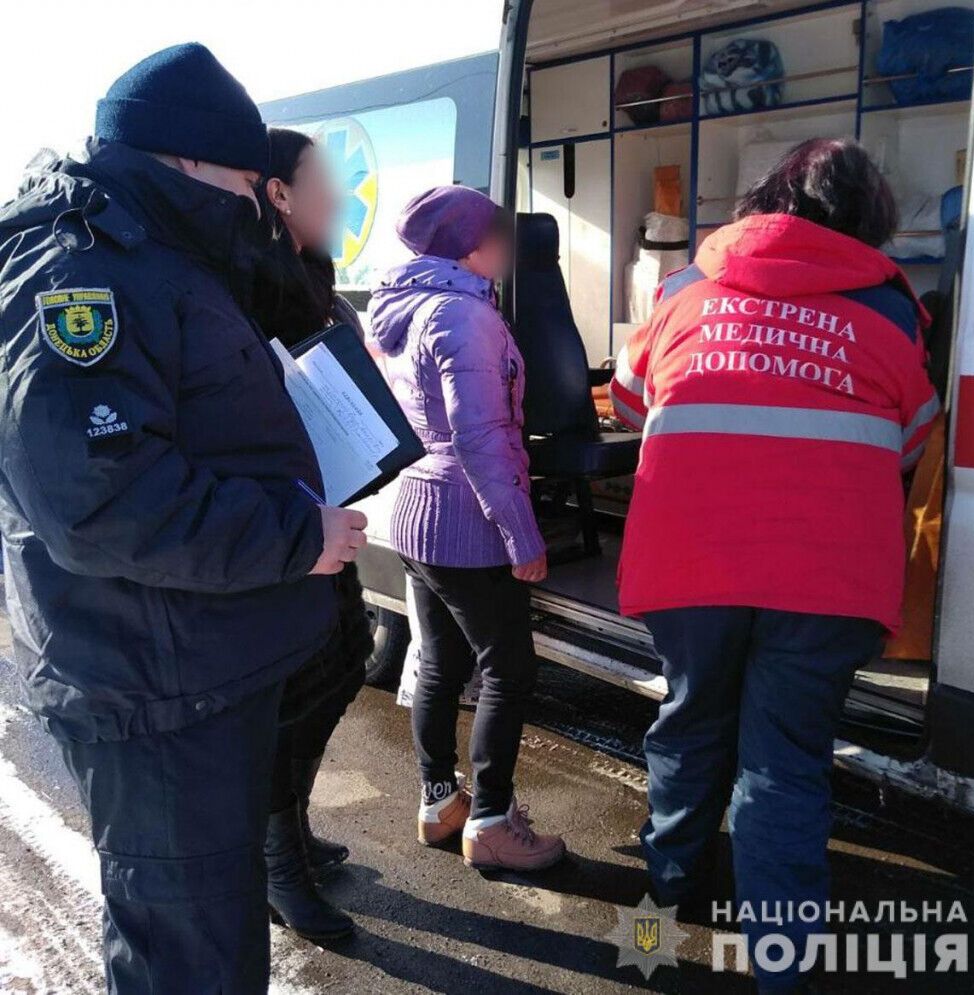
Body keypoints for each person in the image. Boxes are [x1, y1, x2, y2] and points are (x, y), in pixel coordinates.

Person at [0, 44, 368, 993]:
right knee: (187, 959)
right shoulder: (84, 269)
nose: (258, 202)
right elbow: (102, 499)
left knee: (210, 935)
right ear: (191, 162)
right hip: (153, 689)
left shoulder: (154, 247)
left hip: (185, 666)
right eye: (250, 182)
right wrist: (301, 535)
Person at [610, 139, 939, 992]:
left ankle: (655, 915)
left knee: (690, 729)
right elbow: (915, 436)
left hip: (689, 565)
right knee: (784, 764)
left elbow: (632, 399)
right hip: (827, 579)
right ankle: (780, 971)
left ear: (764, 199)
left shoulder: (686, 288)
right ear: (869, 219)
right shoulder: (895, 309)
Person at [367, 186, 565, 872]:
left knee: (441, 664)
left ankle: (439, 801)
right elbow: (481, 439)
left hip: (417, 513)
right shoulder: (463, 316)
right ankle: (490, 820)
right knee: (509, 669)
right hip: (468, 519)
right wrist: (522, 535)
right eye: (499, 235)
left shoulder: (406, 305)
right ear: (470, 246)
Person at [250, 127, 374, 940]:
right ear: (279, 195)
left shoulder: (312, 274)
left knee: (346, 658)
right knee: (296, 692)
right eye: (323, 179)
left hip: (328, 496)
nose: (341, 193)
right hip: (284, 520)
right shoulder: (251, 280)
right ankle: (276, 860)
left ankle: (287, 827)